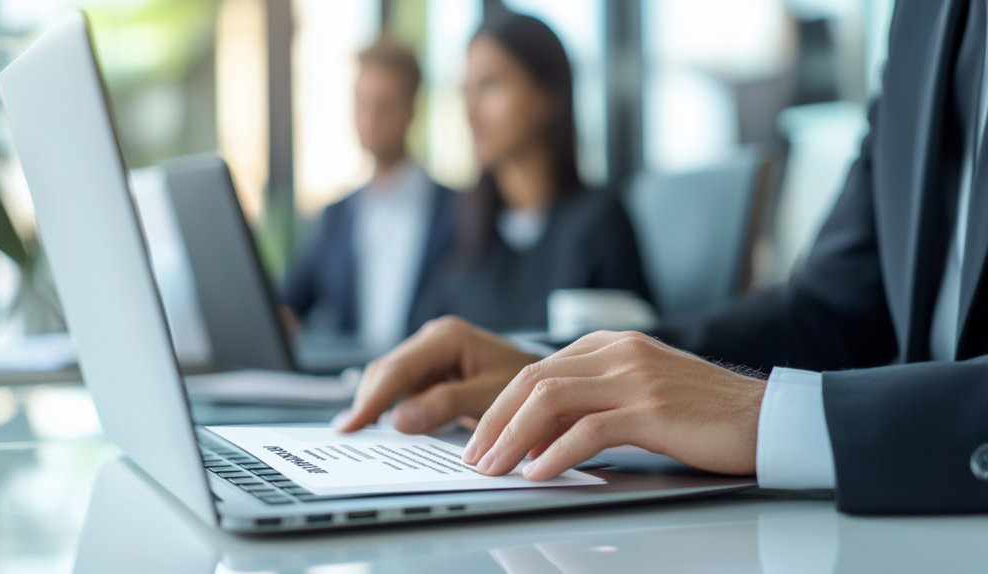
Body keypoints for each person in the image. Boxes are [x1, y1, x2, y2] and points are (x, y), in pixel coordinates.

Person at [336, 0, 988, 515]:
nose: (469, 109)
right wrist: (557, 368)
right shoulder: (923, 16)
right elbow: (831, 309)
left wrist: (768, 418)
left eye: (491, 84)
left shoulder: (592, 222)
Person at [408, 12, 651, 333]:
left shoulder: (599, 224)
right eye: (465, 91)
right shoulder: (463, 232)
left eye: (489, 85)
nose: (470, 112)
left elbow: (641, 355)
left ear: (547, 96)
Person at [282, 36, 455, 349]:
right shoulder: (334, 217)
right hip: (347, 383)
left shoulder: (457, 211)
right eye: (362, 102)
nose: (369, 118)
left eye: (384, 105)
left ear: (411, 110)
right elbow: (289, 301)